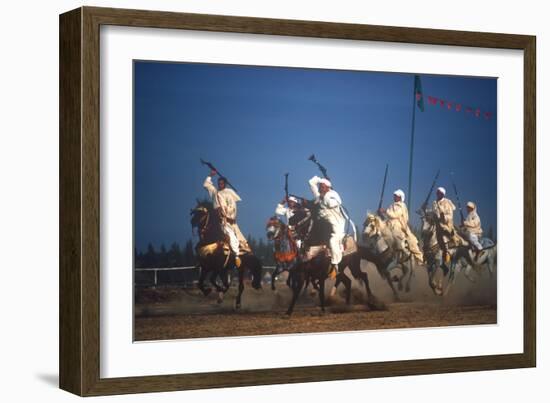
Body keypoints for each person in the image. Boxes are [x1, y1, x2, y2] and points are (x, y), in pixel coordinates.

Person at [203, 169, 250, 266]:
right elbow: (206, 185)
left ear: (225, 184)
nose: (220, 185)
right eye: (218, 183)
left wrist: (224, 212)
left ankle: (236, 256)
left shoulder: (229, 193)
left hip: (226, 221)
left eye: (221, 183)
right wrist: (210, 175)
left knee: (232, 236)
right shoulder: (215, 192)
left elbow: (232, 208)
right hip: (216, 219)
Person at [308, 175, 346, 278]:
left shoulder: (332, 194)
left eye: (322, 187)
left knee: (333, 242)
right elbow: (311, 183)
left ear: (328, 187)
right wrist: (320, 179)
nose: (320, 188)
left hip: (337, 224)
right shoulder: (320, 195)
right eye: (320, 187)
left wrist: (323, 197)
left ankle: (335, 265)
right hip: (324, 223)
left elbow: (333, 203)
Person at [379, 189, 423, 263]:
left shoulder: (402, 205)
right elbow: (388, 216)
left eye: (396, 196)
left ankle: (404, 251)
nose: (394, 197)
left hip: (398, 224)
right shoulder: (391, 205)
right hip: (389, 223)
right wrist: (381, 213)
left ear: (400, 197)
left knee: (395, 233)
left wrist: (385, 211)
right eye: (394, 196)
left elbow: (395, 215)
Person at [431, 187, 463, 262]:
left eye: (440, 193)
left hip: (445, 224)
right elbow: (433, 213)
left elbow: (450, 216)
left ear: (443, 194)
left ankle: (447, 252)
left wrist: (443, 217)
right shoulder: (434, 202)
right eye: (437, 193)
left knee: (445, 236)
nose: (438, 194)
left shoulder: (447, 202)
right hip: (435, 224)